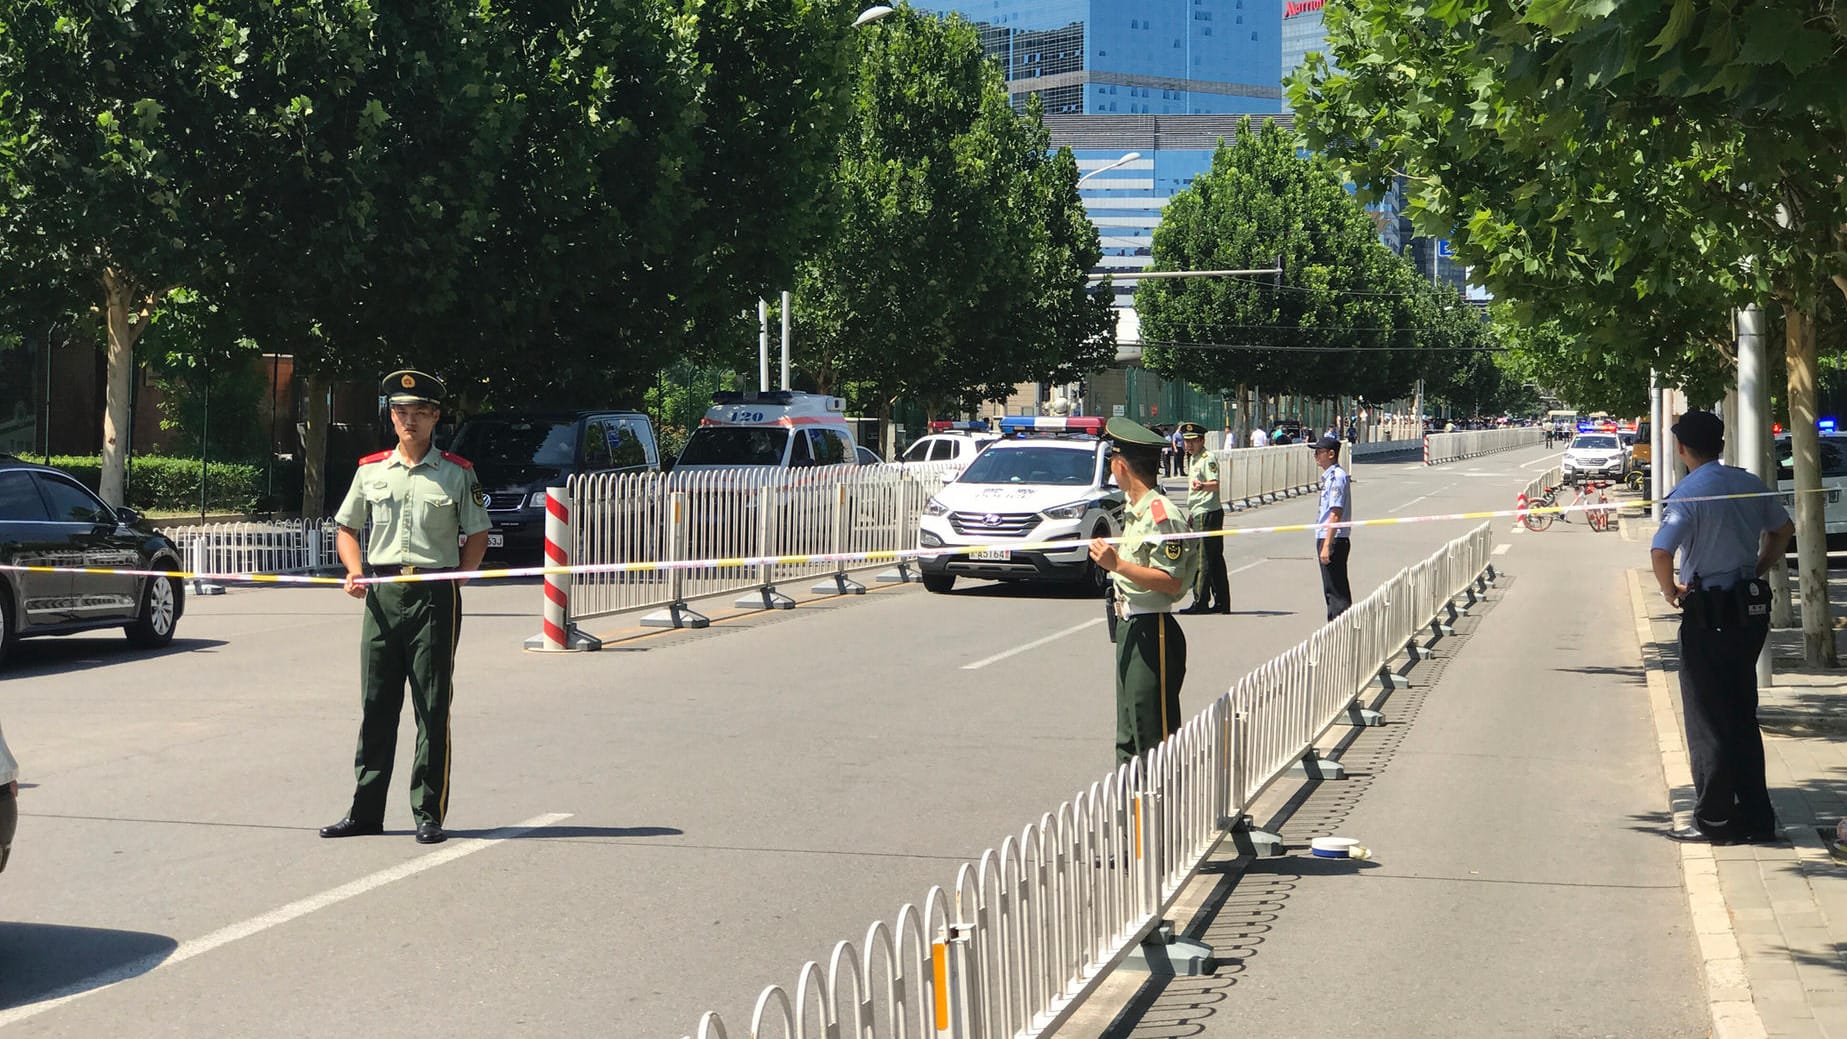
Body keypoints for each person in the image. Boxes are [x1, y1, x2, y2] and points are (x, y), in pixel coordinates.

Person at [321, 370, 491, 845]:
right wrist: (354, 570)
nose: (408, 421)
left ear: (435, 416)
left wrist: (460, 575)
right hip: (382, 593)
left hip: (435, 597)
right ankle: (365, 811)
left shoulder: (457, 472)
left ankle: (427, 811)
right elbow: (347, 528)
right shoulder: (371, 469)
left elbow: (477, 533)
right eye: (400, 412)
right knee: (376, 705)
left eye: (418, 412)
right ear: (391, 417)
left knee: (431, 707)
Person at [1651, 411, 1793, 845]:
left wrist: (1669, 590)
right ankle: (1756, 818)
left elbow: (1661, 551)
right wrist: (1759, 566)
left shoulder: (1690, 493)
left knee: (1708, 718)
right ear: (1722, 443)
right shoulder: (1749, 482)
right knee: (1741, 714)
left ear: (1681, 449)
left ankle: (1715, 821)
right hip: (1748, 610)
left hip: (1708, 612)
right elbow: (1783, 529)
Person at [1090, 418, 1198, 765]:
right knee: (1128, 735)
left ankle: (1161, 813)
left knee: (1154, 736)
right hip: (1129, 625)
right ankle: (1132, 812)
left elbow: (1172, 582)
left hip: (1154, 630)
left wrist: (1117, 565)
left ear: (1121, 465)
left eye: (1112, 461)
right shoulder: (1136, 511)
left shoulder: (1160, 514)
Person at [1178, 422, 1230, 615]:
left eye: (1192, 441)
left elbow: (1215, 484)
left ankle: (1201, 601)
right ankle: (1222, 602)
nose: (1188, 445)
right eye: (1186, 441)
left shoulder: (1208, 459)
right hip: (1201, 511)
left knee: (1203, 559)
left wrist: (1202, 486)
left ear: (1202, 440)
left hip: (1208, 512)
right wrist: (1192, 512)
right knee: (1215, 559)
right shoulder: (1193, 459)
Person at [1312, 434, 1353, 620]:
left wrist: (1327, 544)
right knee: (1331, 588)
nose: (1316, 457)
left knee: (1336, 591)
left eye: (1318, 452)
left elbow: (1335, 512)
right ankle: (1337, 625)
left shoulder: (1337, 477)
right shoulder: (1330, 477)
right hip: (1328, 535)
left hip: (1333, 537)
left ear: (1331, 454)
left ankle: (1339, 628)